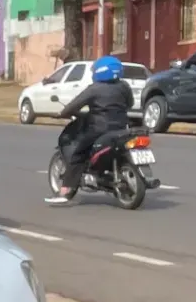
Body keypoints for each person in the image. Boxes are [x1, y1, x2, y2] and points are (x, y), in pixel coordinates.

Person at [46, 56, 132, 204]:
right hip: (121, 127)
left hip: (99, 129)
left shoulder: (94, 89)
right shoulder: (124, 86)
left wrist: (63, 113)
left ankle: (66, 190)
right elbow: (130, 103)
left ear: (100, 71)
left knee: (78, 153)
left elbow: (75, 104)